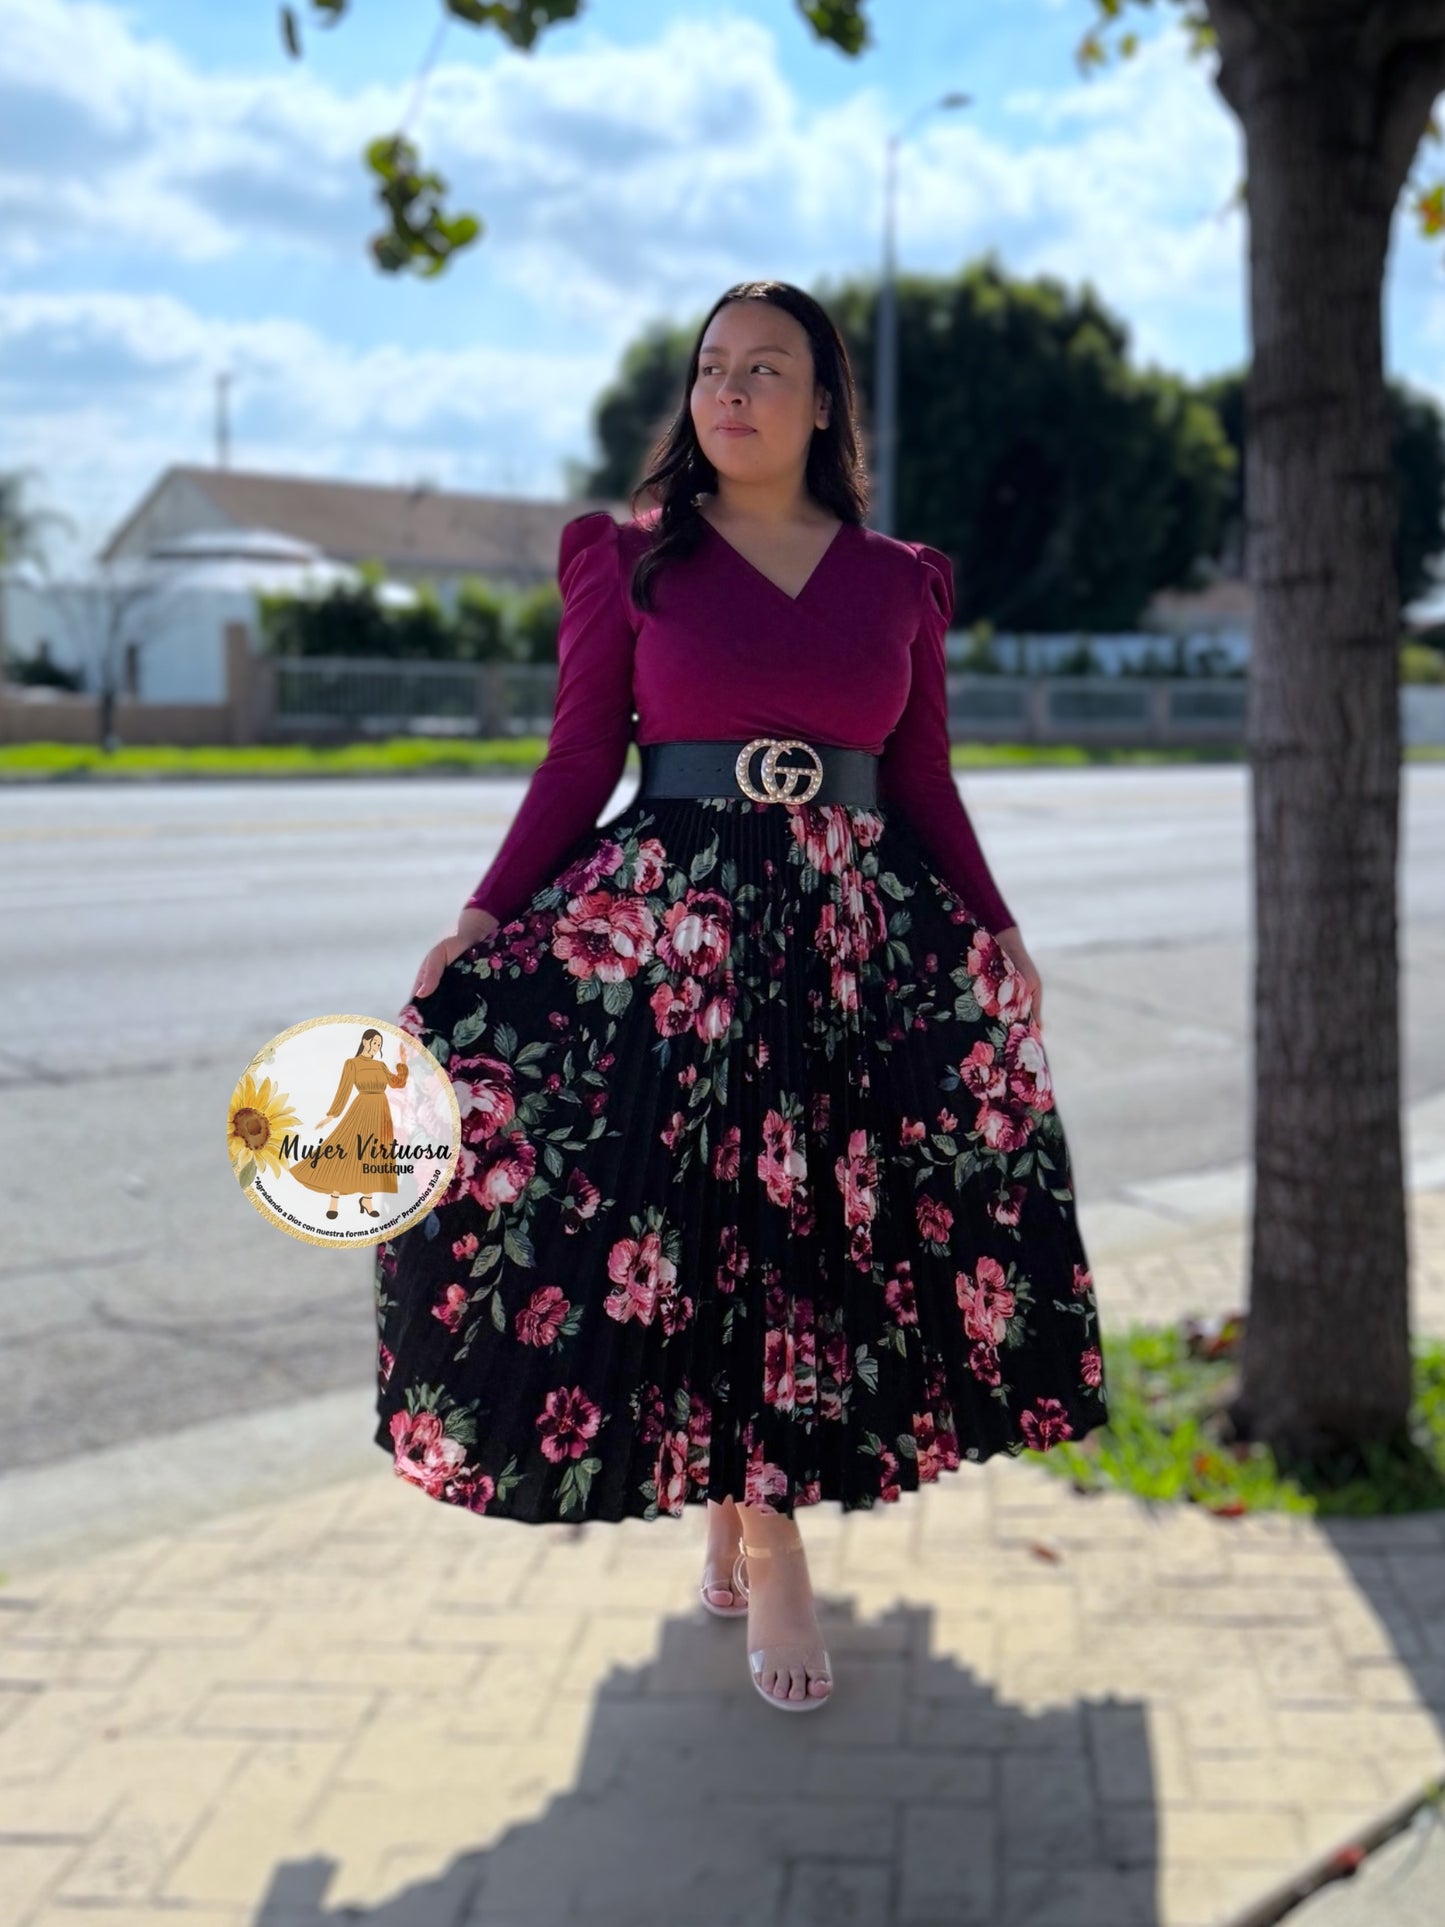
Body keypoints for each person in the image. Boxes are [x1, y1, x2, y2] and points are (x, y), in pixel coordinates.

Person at [373, 279, 1108, 1715]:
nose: (731, 391)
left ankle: (739, 1493)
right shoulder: (630, 555)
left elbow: (921, 779)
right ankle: (770, 1543)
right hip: (674, 938)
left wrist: (996, 923)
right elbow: (579, 762)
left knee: (812, 1231)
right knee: (697, 1225)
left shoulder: (900, 577)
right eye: (712, 366)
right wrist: (481, 917)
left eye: (767, 369)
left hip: (848, 938)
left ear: (824, 402)